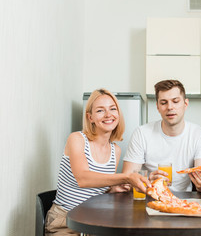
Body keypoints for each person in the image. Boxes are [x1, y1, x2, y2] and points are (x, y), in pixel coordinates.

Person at [45, 88, 151, 236]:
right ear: (90, 117)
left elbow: (97, 187)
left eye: (113, 109)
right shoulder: (77, 139)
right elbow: (83, 179)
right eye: (100, 110)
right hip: (65, 221)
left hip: (95, 221)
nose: (108, 114)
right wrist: (125, 177)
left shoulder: (115, 151)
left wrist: (112, 189)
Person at [122, 79, 201, 192]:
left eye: (175, 101)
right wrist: (148, 181)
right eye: (163, 102)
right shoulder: (142, 134)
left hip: (183, 202)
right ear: (157, 106)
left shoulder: (199, 135)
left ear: (185, 104)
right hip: (150, 198)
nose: (170, 107)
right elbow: (126, 180)